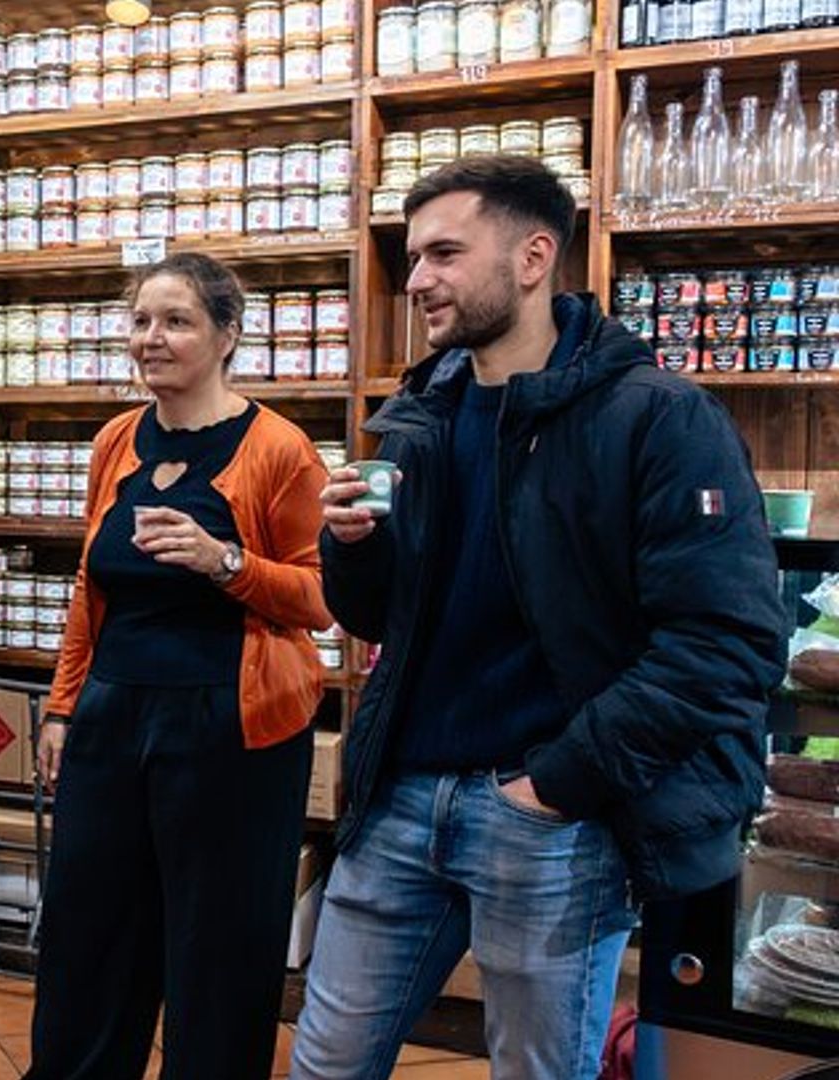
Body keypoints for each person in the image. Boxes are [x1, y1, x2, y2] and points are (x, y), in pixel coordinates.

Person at [290, 155, 786, 1080]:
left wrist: (558, 781)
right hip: (401, 799)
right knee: (325, 1064)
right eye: (412, 255)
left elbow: (727, 645)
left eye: (444, 252)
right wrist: (351, 545)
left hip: (551, 817)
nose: (419, 278)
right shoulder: (419, 413)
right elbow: (370, 618)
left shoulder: (658, 418)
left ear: (532, 256)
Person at [24, 253, 334, 1080]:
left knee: (220, 951)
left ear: (227, 336)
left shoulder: (280, 449)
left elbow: (320, 597)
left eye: (176, 322)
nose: (150, 339)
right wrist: (63, 709)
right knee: (88, 937)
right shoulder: (115, 441)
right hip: (113, 718)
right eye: (140, 322)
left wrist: (225, 561)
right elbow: (93, 583)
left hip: (233, 730)